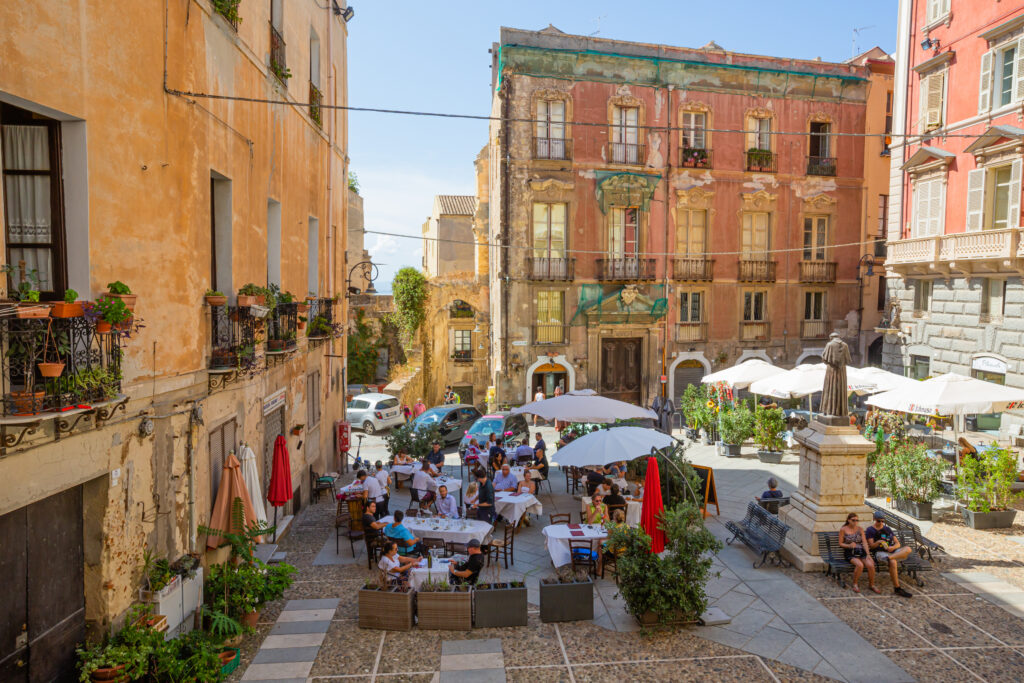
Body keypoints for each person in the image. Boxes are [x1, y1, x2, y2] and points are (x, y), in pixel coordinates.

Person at [866, 510, 914, 598]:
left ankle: (889, 558)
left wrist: (893, 547)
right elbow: (872, 546)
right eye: (878, 521)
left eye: (882, 521)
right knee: (893, 562)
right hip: (880, 552)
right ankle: (897, 588)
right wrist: (879, 542)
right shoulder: (870, 530)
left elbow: (897, 543)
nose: (880, 523)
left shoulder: (887, 529)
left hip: (892, 552)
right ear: (874, 519)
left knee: (908, 549)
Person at [838, 512, 877, 595]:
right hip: (850, 551)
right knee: (860, 565)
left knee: (870, 565)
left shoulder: (860, 529)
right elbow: (841, 543)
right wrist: (849, 545)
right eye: (853, 520)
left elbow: (864, 542)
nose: (855, 522)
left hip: (860, 551)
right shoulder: (843, 529)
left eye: (857, 520)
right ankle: (855, 584)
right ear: (848, 520)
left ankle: (872, 584)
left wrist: (868, 554)